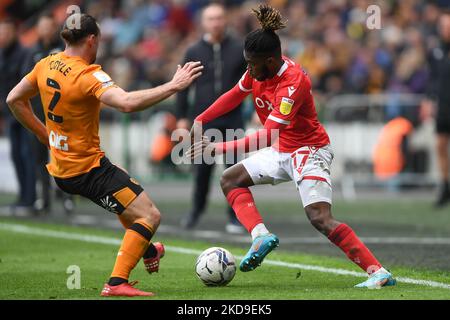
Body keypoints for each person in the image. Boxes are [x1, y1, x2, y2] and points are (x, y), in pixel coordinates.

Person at [187, 4, 396, 289]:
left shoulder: (293, 82)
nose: (248, 69)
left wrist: (216, 148)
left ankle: (378, 272)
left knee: (320, 219)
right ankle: (260, 236)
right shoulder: (259, 69)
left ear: (271, 62)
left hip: (310, 152)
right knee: (230, 179)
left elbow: (265, 136)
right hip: (284, 150)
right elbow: (235, 95)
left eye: (252, 65)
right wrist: (201, 117)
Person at [7, 13, 202, 297]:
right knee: (149, 215)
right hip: (87, 171)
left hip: (63, 168)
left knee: (132, 206)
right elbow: (125, 103)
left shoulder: (45, 64)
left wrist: (43, 134)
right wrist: (173, 86)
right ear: (92, 39)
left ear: (65, 38)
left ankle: (147, 250)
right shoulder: (88, 75)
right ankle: (116, 283)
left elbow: (14, 99)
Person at [176, 2, 247, 233]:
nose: (216, 22)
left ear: (225, 20)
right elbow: (183, 86)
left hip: (233, 119)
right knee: (202, 171)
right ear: (203, 23)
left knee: (235, 171)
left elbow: (253, 82)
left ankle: (236, 217)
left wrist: (258, 111)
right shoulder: (194, 51)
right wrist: (182, 117)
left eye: (219, 18)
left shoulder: (239, 49)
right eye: (211, 18)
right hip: (204, 121)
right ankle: (195, 212)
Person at [26, 12, 75, 214]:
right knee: (40, 158)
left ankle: (67, 197)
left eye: (49, 26)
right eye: (43, 26)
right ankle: (44, 198)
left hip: (60, 114)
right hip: (38, 112)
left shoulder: (64, 48)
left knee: (63, 157)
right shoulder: (33, 52)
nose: (46, 30)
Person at [0, 18, 35, 214]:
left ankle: (30, 198)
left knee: (26, 154)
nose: (2, 37)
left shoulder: (25, 54)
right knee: (16, 156)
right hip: (9, 113)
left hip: (23, 111)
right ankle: (23, 196)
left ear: (14, 32)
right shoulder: (2, 55)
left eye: (5, 32)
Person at [427, 10, 450, 207]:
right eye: (443, 26)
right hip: (443, 105)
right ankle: (445, 185)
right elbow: (432, 78)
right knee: (441, 145)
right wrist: (429, 100)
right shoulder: (436, 51)